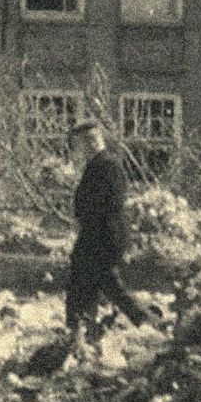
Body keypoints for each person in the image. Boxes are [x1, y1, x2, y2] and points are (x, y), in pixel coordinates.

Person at [65, 119, 150, 345]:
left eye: (89, 141)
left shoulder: (109, 166)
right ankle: (85, 332)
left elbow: (113, 205)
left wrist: (98, 235)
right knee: (95, 284)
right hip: (97, 236)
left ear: (96, 141)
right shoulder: (97, 165)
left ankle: (79, 330)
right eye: (82, 144)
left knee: (92, 282)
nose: (84, 148)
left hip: (102, 237)